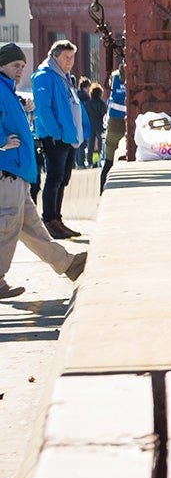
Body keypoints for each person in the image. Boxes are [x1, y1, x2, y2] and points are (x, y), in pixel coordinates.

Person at [0, 42, 84, 293]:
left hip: (17, 172)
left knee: (32, 228)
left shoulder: (8, 90)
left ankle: (67, 264)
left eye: (22, 66)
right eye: (15, 65)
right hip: (8, 171)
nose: (20, 71)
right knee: (7, 227)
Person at [31, 39, 85, 240]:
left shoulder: (65, 76)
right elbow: (43, 108)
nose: (70, 61)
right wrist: (56, 133)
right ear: (55, 56)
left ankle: (57, 219)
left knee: (62, 179)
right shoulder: (45, 76)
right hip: (56, 138)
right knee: (54, 179)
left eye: (72, 57)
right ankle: (49, 220)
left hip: (68, 137)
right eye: (66, 57)